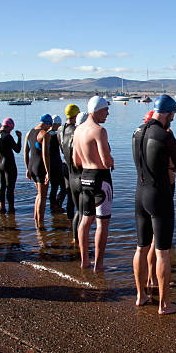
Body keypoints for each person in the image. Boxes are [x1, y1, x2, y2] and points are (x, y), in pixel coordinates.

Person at [132, 95, 176, 313]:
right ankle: (164, 304)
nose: (173, 118)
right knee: (162, 251)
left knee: (141, 247)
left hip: (140, 195)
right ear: (169, 113)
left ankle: (140, 295)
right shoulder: (164, 135)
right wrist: (171, 168)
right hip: (159, 196)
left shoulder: (137, 131)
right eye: (173, 115)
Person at [72, 97, 113, 271]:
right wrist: (111, 161)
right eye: (105, 111)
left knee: (85, 220)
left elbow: (76, 160)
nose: (108, 114)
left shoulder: (78, 130)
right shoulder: (99, 131)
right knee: (102, 223)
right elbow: (105, 161)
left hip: (84, 178)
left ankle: (84, 260)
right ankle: (99, 264)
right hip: (101, 179)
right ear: (96, 111)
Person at [58, 104, 81, 243]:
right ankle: (76, 237)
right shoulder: (76, 130)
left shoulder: (60, 129)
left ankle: (69, 224)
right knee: (80, 207)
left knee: (69, 197)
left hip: (65, 167)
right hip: (76, 170)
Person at [24, 114, 52, 227]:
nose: (49, 129)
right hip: (40, 166)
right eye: (49, 126)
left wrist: (27, 169)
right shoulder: (44, 134)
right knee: (43, 196)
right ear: (46, 124)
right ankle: (41, 223)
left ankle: (36, 219)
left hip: (32, 165)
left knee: (39, 194)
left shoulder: (29, 132)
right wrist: (48, 172)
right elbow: (45, 155)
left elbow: (26, 152)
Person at [0, 118, 22, 213]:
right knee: (10, 187)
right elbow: (17, 150)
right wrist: (19, 137)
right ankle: (11, 208)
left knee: (2, 185)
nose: (11, 131)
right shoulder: (8, 136)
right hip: (8, 164)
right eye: (11, 129)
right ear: (9, 127)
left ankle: (2, 207)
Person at [48, 115, 65, 212]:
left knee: (54, 187)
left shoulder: (45, 134)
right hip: (57, 163)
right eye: (59, 125)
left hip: (49, 164)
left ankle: (52, 205)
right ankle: (57, 205)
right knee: (63, 187)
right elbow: (63, 149)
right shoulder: (55, 135)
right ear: (55, 124)